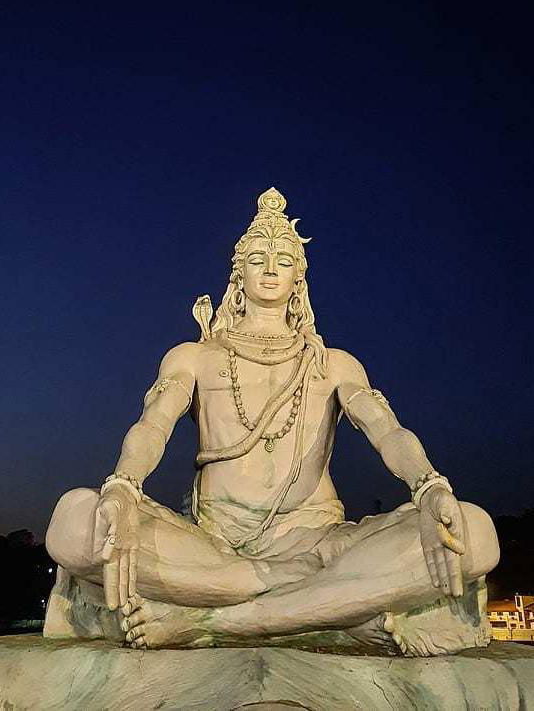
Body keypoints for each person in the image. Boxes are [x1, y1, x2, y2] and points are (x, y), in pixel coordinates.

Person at [45, 188, 499, 653]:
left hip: (319, 544)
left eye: (283, 260)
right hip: (215, 549)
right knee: (74, 521)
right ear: (237, 272)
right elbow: (152, 426)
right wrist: (123, 487)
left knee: (474, 533)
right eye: (258, 258)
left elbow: (388, 432)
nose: (269, 269)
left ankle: (214, 623)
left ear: (299, 278)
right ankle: (322, 609)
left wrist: (428, 488)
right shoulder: (195, 358)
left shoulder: (335, 364)